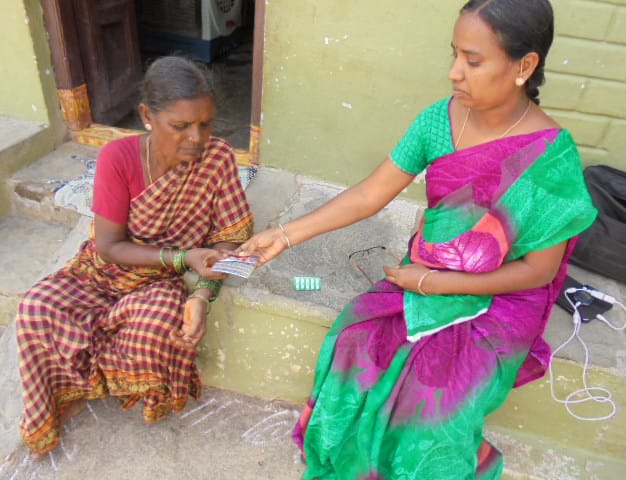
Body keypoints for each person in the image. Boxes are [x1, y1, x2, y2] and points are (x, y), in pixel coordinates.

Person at [238, 1, 597, 478]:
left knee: (435, 394)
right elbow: (371, 192)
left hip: (502, 298)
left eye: (472, 60)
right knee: (355, 340)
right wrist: (283, 235)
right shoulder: (437, 121)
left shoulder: (553, 157)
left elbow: (539, 271)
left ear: (524, 66)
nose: (454, 73)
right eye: (454, 55)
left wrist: (432, 283)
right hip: (424, 274)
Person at [16, 56, 254, 455]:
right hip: (107, 270)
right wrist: (183, 257)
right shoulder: (118, 158)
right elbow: (109, 247)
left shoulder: (218, 159)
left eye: (206, 123)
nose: (197, 137)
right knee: (36, 308)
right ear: (147, 115)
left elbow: (229, 238)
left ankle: (106, 379)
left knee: (160, 326)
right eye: (180, 126)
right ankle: (68, 390)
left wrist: (200, 295)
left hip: (159, 281)